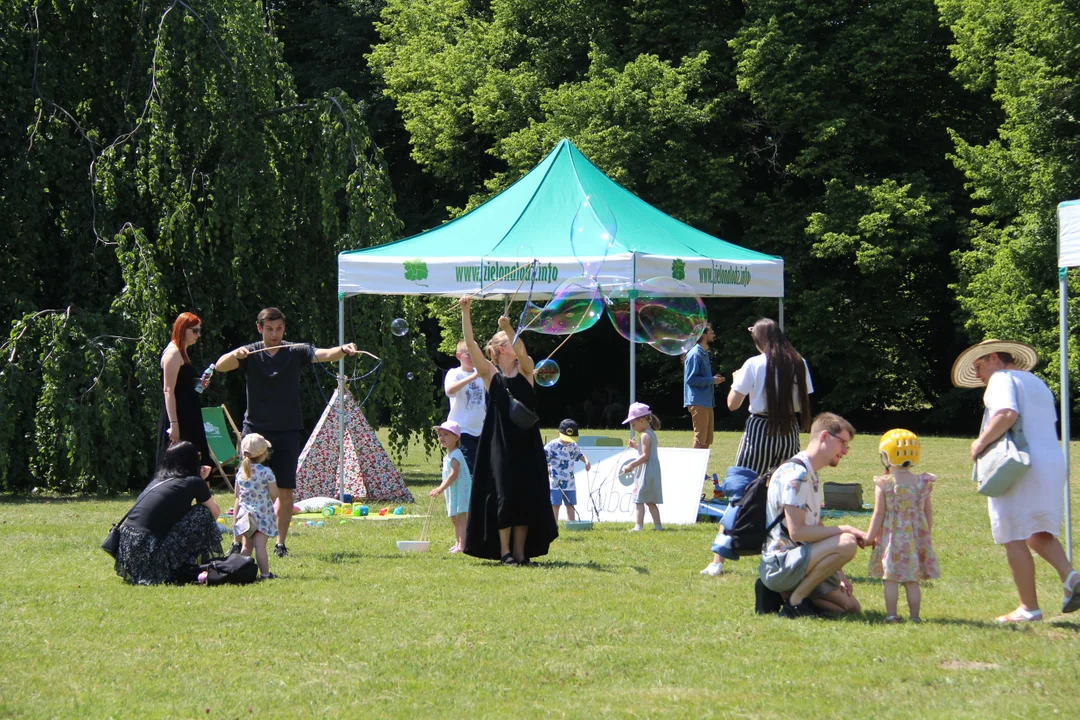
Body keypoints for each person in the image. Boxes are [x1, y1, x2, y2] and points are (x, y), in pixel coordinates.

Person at [214, 307, 360, 558]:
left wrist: (342, 349)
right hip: (255, 432)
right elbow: (219, 367)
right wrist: (234, 354)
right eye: (269, 329)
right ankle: (238, 541)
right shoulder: (250, 353)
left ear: (284, 328)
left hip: (287, 430)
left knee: (286, 490)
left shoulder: (295, 351)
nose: (274, 334)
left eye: (279, 328)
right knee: (244, 489)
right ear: (260, 329)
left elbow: (322, 354)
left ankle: (280, 544)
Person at [952, 339, 1080, 623]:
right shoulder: (1036, 382)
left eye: (979, 365)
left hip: (1018, 462)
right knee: (1038, 531)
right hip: (1051, 461)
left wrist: (979, 443)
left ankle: (1028, 607)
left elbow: (1007, 414)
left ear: (994, 358)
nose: (977, 374)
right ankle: (1071, 578)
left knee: (1010, 532)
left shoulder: (1000, 379)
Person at [701, 318, 813, 577]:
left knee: (740, 493)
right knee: (789, 496)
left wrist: (735, 380)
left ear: (759, 339)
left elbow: (732, 405)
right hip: (789, 431)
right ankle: (792, 557)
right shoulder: (799, 363)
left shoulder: (753, 364)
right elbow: (804, 397)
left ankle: (718, 561)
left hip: (759, 431)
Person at [459, 297, 558, 565]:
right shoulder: (491, 375)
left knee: (525, 495)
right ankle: (504, 552)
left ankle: (520, 552)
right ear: (502, 350)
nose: (517, 343)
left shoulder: (527, 371)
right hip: (499, 444)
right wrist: (465, 311)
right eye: (511, 340)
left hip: (527, 442)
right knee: (504, 494)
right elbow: (471, 345)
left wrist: (510, 328)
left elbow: (523, 353)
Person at [759, 412, 868, 618]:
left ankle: (784, 595)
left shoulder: (811, 475)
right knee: (847, 542)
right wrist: (845, 529)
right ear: (824, 436)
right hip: (781, 563)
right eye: (843, 443)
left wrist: (839, 573)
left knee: (851, 608)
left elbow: (817, 525)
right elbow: (798, 532)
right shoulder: (796, 475)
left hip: (803, 561)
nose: (845, 451)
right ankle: (795, 600)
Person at [113, 441, 222, 585]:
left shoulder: (158, 481)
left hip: (129, 553)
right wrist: (201, 482)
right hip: (151, 553)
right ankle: (192, 565)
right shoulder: (194, 482)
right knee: (202, 513)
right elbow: (214, 513)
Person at [865, 429, 940, 623]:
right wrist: (926, 534)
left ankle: (892, 615)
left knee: (890, 578)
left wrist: (870, 536)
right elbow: (927, 512)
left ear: (886, 456)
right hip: (914, 539)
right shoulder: (922, 482)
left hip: (892, 540)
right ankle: (915, 617)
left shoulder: (884, 483)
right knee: (911, 579)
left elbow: (879, 513)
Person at [156, 312, 212, 471]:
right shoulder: (173, 353)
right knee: (178, 464)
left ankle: (201, 494)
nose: (198, 335)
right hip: (179, 415)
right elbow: (168, 390)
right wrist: (174, 424)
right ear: (182, 329)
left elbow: (182, 383)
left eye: (199, 331)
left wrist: (197, 382)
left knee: (196, 462)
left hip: (190, 413)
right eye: (195, 331)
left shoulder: (183, 351)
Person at [233, 433, 279, 580]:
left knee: (247, 546)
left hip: (245, 515)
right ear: (264, 453)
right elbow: (274, 493)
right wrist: (268, 501)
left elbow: (236, 494)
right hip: (262, 515)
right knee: (260, 546)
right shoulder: (267, 472)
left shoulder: (241, 471)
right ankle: (265, 574)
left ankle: (239, 572)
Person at [430, 420, 472, 553]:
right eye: (440, 435)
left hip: (461, 491)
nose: (442, 438)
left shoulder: (456, 455)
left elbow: (454, 474)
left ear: (456, 437)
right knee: (454, 518)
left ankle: (463, 544)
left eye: (446, 435)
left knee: (460, 518)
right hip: (453, 491)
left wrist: (440, 489)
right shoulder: (448, 456)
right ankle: (458, 542)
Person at [620, 403, 664, 532]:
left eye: (633, 424)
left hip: (646, 470)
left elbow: (645, 456)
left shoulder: (645, 435)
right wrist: (635, 446)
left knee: (639, 499)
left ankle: (638, 526)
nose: (633, 427)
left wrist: (630, 465)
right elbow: (646, 451)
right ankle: (658, 526)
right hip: (652, 470)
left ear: (642, 420)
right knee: (650, 500)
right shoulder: (651, 434)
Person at [444, 339, 486, 473]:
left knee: (483, 471)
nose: (472, 357)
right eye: (468, 354)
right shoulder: (454, 373)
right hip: (462, 431)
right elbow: (449, 391)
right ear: (458, 356)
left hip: (482, 430)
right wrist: (473, 377)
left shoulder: (483, 374)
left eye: (475, 353)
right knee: (468, 471)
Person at [683, 322, 725, 449]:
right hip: (698, 401)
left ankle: (702, 469)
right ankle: (693, 469)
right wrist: (712, 380)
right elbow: (691, 379)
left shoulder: (704, 353)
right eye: (711, 332)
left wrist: (713, 379)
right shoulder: (695, 354)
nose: (714, 334)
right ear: (704, 335)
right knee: (700, 438)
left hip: (706, 401)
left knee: (706, 439)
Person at [545, 418, 591, 522]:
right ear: (558, 434)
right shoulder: (552, 445)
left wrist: (586, 461)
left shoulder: (573, 445)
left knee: (570, 504)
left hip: (570, 482)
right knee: (555, 504)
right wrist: (546, 466)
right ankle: (554, 524)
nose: (567, 441)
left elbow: (579, 454)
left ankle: (572, 523)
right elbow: (543, 457)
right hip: (555, 482)